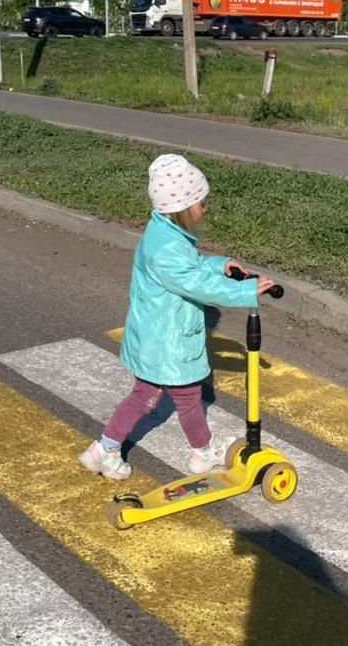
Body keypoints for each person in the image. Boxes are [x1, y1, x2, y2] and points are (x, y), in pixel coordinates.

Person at [80, 153, 276, 480]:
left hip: (154, 336)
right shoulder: (168, 248)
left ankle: (103, 448)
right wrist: (246, 292)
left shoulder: (164, 235)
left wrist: (219, 265)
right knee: (187, 399)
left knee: (143, 396)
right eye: (201, 203)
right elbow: (195, 284)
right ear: (181, 208)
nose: (205, 209)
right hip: (168, 343)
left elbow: (191, 269)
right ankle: (201, 454)